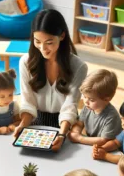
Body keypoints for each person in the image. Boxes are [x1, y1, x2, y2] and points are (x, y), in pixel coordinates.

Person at [14, 9, 88, 151]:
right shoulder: (26, 62)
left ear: (62, 36)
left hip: (66, 123)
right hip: (36, 119)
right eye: (37, 41)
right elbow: (28, 100)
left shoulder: (79, 67)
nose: (43, 48)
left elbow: (70, 105)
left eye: (49, 42)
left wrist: (62, 134)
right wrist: (22, 125)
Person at [69, 69, 121, 145]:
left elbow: (104, 140)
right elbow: (80, 124)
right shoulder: (88, 107)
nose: (86, 101)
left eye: (91, 99)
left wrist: (79, 138)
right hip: (92, 145)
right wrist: (76, 132)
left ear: (107, 99)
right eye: (84, 96)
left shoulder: (112, 117)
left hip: (108, 149)